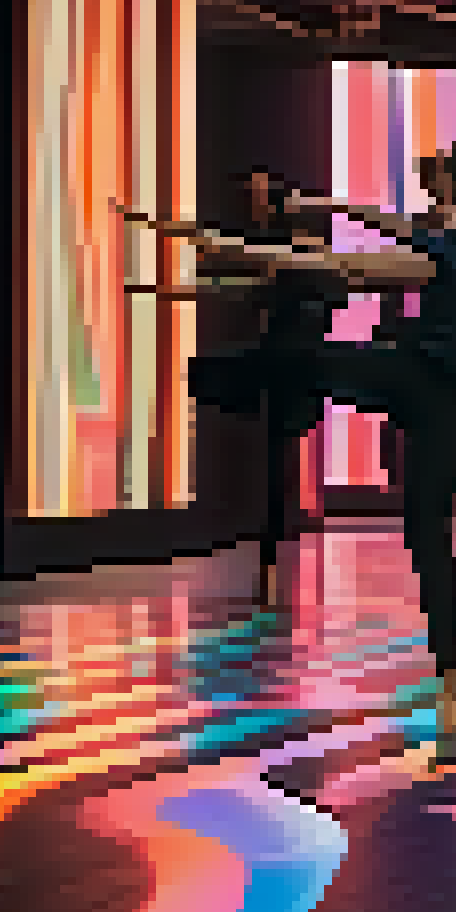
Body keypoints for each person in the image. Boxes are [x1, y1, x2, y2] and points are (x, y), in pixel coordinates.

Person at [123, 133, 456, 761]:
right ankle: (219, 383)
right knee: (301, 359)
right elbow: (349, 258)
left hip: (445, 402)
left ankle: (452, 669)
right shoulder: (441, 246)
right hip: (403, 371)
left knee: (427, 533)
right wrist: (222, 245)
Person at [128, 169, 343, 608]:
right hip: (280, 362)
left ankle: (269, 564)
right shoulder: (282, 260)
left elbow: (242, 285)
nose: (255, 202)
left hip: (297, 365)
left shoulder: (311, 261)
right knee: (271, 462)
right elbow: (235, 287)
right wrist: (169, 289)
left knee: (276, 462)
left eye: (262, 195)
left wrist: (172, 287)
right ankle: (267, 565)